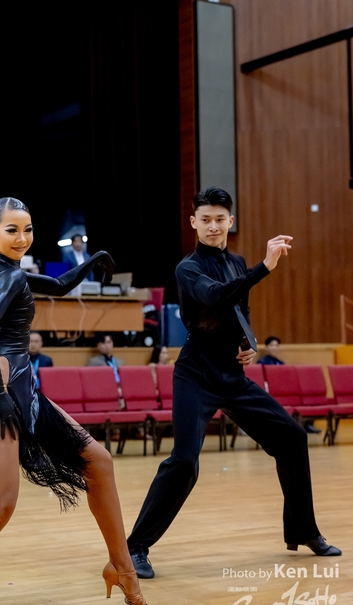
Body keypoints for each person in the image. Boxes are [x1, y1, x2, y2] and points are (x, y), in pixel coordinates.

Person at [0, 197, 146, 605]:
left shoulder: (11, 271)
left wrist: (93, 261)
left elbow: (60, 285)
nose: (22, 238)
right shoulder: (7, 275)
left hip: (21, 387)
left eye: (28, 229)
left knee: (99, 462)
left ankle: (121, 566)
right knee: (2, 503)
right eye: (11, 230)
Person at [127, 186, 341, 580]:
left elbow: (240, 307)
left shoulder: (236, 261)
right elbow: (215, 297)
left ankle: (304, 530)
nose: (213, 226)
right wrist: (264, 267)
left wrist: (249, 342)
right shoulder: (188, 268)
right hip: (195, 374)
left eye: (219, 219)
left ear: (230, 221)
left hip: (232, 374)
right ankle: (135, 547)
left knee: (292, 438)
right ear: (193, 222)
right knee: (184, 462)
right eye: (205, 219)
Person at [257, 336, 321, 434]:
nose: (274, 348)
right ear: (266, 347)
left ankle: (307, 425)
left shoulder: (281, 363)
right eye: (271, 345)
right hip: (269, 391)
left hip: (282, 390)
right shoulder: (262, 362)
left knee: (309, 398)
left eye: (276, 345)